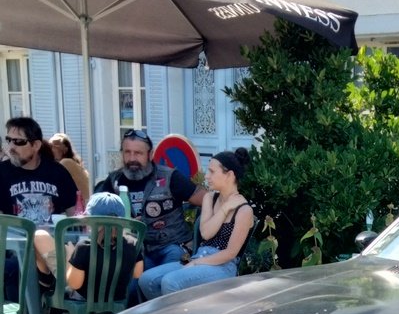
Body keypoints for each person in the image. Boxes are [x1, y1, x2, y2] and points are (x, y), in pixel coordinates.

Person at [94, 127, 205, 300]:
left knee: (166, 281)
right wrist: (117, 221)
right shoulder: (114, 181)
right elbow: (95, 210)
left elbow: (203, 197)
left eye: (138, 153)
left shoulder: (169, 177)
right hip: (135, 250)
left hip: (171, 245)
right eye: (127, 152)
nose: (132, 158)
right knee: (129, 290)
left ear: (150, 154)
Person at [138, 149, 254, 299]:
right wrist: (225, 209)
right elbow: (206, 233)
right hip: (199, 257)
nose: (206, 176)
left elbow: (230, 253)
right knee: (147, 280)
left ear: (230, 175)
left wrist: (198, 262)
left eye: (212, 172)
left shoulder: (244, 210)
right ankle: (169, 312)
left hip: (223, 266)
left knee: (170, 282)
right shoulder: (210, 198)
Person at [0, 116, 78, 294]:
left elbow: (75, 215)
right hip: (17, 249)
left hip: (52, 249)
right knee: (14, 269)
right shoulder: (2, 173)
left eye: (18, 142)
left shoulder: (57, 172)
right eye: (9, 140)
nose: (11, 147)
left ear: (36, 145)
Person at [49, 132, 91, 206]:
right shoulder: (73, 162)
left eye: (54, 146)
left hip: (79, 206)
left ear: (65, 149)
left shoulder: (65, 163)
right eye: (50, 146)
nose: (51, 150)